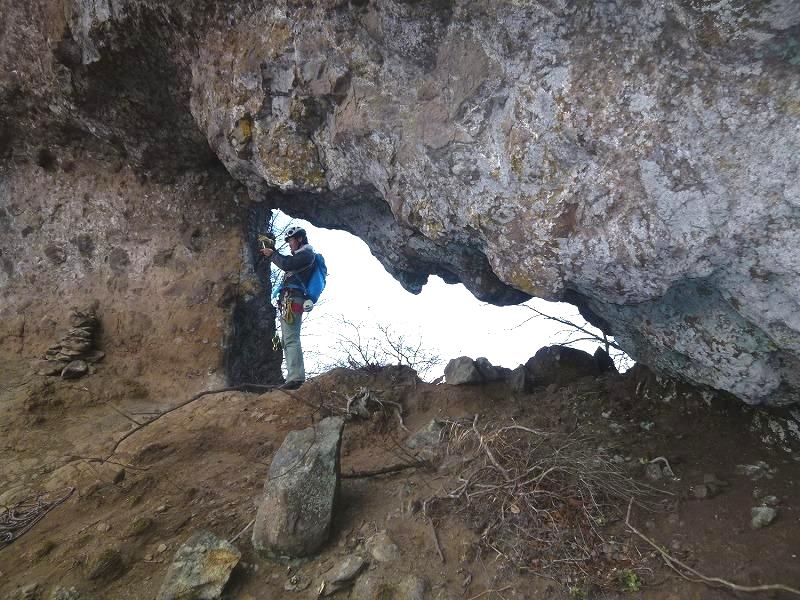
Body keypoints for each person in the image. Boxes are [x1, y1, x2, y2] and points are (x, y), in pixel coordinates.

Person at [260, 225, 315, 389]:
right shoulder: (301, 255)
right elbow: (288, 262)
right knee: (287, 338)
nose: (290, 244)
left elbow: (286, 264)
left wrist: (272, 254)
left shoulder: (307, 254)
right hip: (288, 300)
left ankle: (296, 378)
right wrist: (273, 251)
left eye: (291, 240)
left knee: (291, 338)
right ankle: (294, 376)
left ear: (299, 239)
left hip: (293, 300)